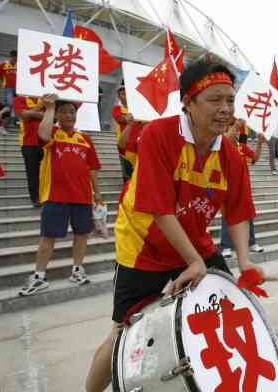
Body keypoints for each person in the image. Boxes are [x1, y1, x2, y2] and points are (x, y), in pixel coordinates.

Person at [85, 60, 264, 392]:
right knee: (125, 332)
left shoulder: (233, 157)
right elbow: (159, 208)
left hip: (194, 242)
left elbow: (237, 213)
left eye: (230, 100)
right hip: (144, 247)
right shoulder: (158, 134)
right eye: (215, 100)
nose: (226, 109)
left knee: (227, 307)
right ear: (187, 102)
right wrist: (194, 261)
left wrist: (245, 261)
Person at [18, 95, 102, 296]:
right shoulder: (53, 132)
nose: (68, 115)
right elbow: (43, 136)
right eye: (63, 111)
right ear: (57, 114)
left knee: (82, 235)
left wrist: (97, 193)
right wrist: (48, 109)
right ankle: (39, 276)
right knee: (48, 237)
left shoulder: (85, 138)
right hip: (56, 195)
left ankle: (77, 270)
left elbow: (92, 168)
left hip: (82, 197)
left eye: (72, 112)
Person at [221, 119, 265, 257]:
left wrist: (259, 143)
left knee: (249, 215)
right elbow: (226, 139)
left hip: (244, 188)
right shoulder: (222, 144)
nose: (236, 134)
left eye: (238, 132)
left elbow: (255, 159)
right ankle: (226, 246)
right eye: (233, 130)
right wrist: (235, 124)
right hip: (228, 189)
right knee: (227, 217)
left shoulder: (242, 147)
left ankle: (252, 243)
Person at [14, 95, 45, 206]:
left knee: (48, 170)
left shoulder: (45, 98)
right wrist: (40, 108)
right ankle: (36, 198)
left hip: (46, 141)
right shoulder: (20, 99)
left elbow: (52, 117)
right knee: (32, 172)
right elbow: (23, 116)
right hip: (28, 142)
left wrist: (31, 113)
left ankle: (47, 195)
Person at [111, 82, 135, 183]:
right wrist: (130, 118)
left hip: (136, 143)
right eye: (121, 94)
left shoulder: (135, 109)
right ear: (119, 97)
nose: (123, 96)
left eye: (125, 93)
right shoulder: (117, 109)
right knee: (127, 172)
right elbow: (120, 119)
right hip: (123, 144)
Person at [0, 50, 17, 124]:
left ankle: (15, 121)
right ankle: (3, 125)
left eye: (16, 59)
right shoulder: (3, 65)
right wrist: (1, 84)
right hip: (8, 88)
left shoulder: (19, 65)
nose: (14, 60)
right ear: (10, 57)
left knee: (17, 104)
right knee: (9, 104)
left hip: (18, 89)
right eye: (13, 58)